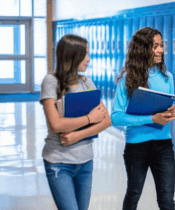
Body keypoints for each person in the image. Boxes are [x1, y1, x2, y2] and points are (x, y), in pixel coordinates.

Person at [40, 34, 112, 210]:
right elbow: (55, 124)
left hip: (85, 161)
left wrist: (77, 135)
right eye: (85, 54)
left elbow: (106, 120)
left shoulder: (87, 83)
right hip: (59, 162)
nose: (88, 59)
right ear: (72, 56)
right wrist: (90, 119)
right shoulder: (52, 82)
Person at [111, 27, 175, 210]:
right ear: (142, 49)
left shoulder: (167, 77)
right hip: (136, 146)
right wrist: (151, 118)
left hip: (163, 144)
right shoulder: (128, 79)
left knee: (167, 201)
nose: (160, 50)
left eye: (161, 45)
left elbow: (168, 107)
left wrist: (172, 113)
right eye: (154, 46)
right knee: (133, 194)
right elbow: (116, 117)